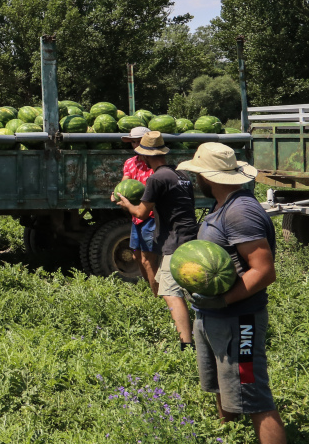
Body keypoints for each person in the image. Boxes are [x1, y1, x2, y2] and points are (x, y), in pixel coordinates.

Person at [176, 143, 286, 443]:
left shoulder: (240, 211)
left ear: (208, 178)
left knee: (254, 398)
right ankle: (228, 437)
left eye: (198, 174)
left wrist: (223, 299)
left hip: (239, 321)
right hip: (213, 315)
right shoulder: (224, 205)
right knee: (224, 390)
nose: (197, 180)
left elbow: (263, 271)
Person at [112, 131, 198, 351]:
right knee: (188, 288)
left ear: (148, 156)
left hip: (174, 239)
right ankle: (201, 330)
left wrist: (126, 204)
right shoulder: (180, 175)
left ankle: (186, 344)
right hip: (190, 234)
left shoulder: (156, 178)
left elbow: (141, 213)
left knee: (171, 292)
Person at [121, 126, 160, 292]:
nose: (135, 145)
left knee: (147, 259)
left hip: (151, 216)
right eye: (133, 142)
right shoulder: (130, 163)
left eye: (138, 141)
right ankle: (151, 288)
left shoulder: (154, 164)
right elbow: (124, 184)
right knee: (137, 256)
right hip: (136, 216)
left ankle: (158, 296)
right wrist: (117, 194)